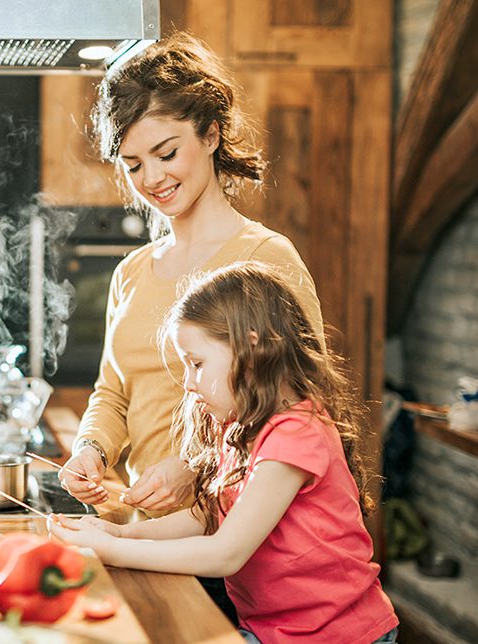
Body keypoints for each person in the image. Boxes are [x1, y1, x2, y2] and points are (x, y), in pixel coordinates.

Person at [50, 262, 398, 644]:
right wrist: (122, 532)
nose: (188, 382)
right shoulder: (239, 423)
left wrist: (112, 550)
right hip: (272, 630)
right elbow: (208, 516)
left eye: (196, 364)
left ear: (250, 349)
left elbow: (225, 554)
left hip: (339, 635)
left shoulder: (297, 434)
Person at [59, 32, 324, 515]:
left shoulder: (266, 257)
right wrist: (90, 450)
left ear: (210, 134)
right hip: (146, 531)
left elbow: (304, 410)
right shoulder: (131, 272)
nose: (152, 179)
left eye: (166, 153)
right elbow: (113, 393)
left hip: (238, 546)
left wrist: (195, 467)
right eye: (133, 164)